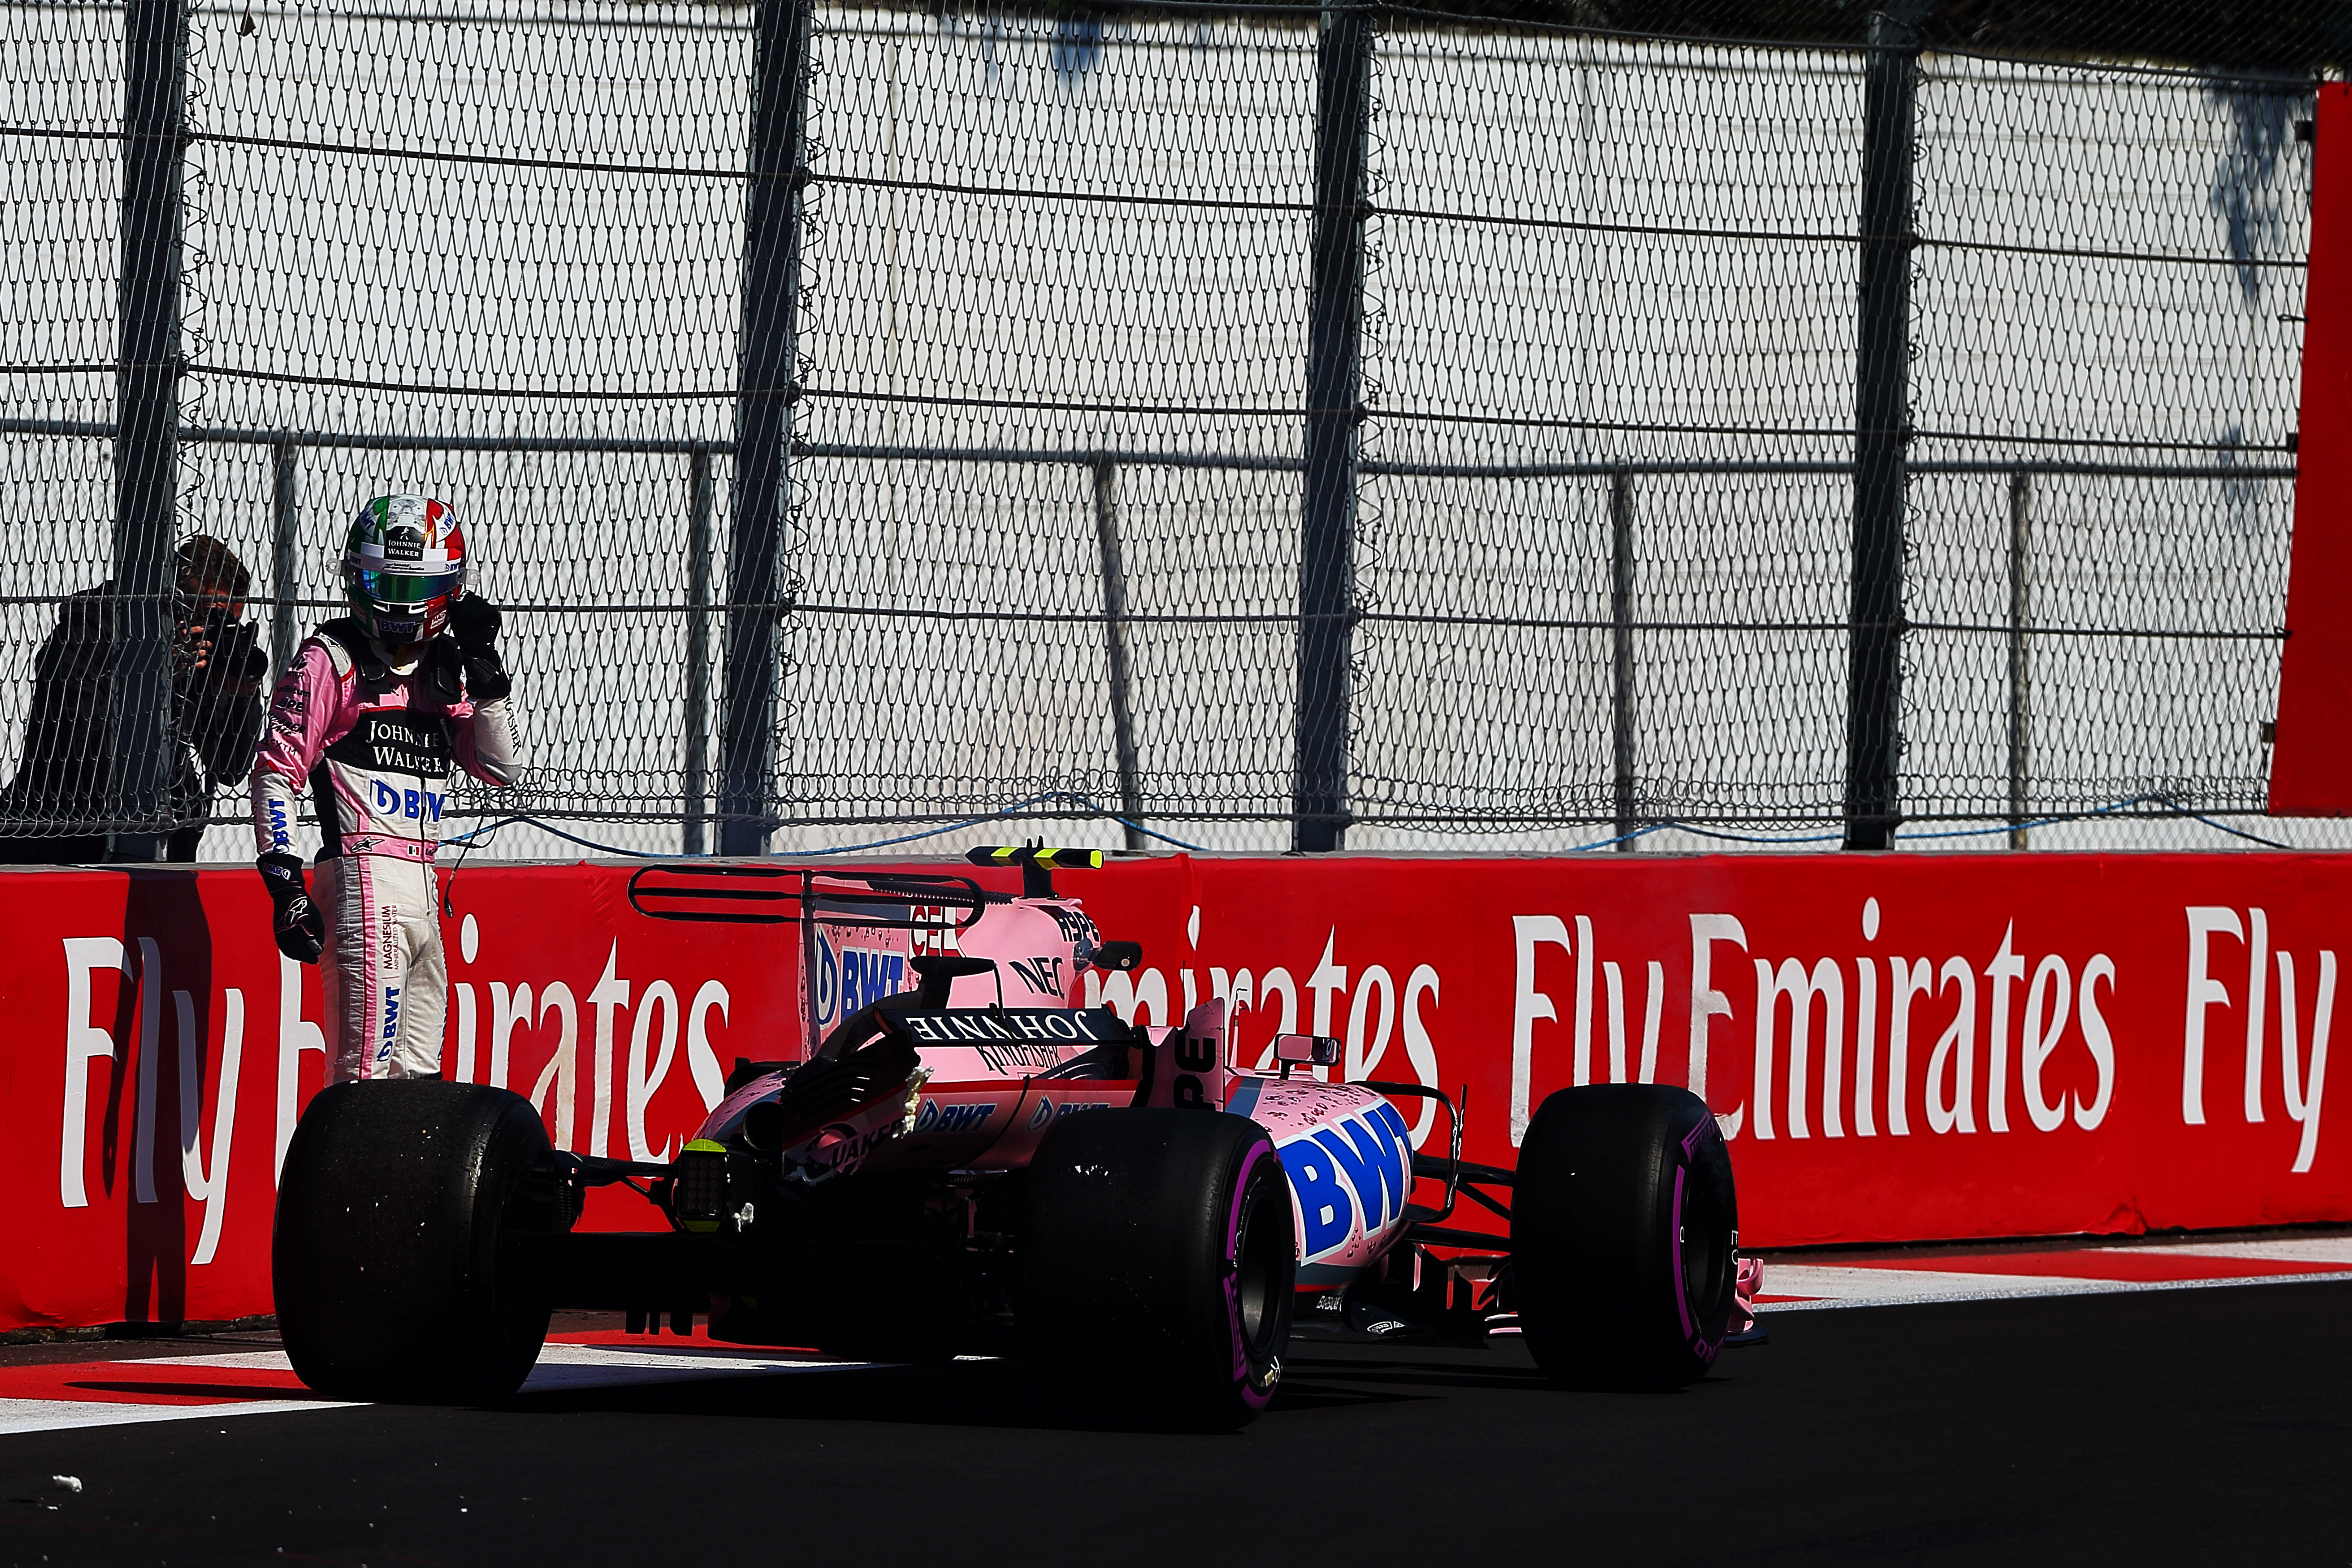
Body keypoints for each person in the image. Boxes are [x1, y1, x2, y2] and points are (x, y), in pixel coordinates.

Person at [250, 495, 518, 1082]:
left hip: (424, 885)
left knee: (420, 1085)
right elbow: (277, 768)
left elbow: (501, 769)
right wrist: (283, 882)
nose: (396, 603)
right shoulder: (331, 658)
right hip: (360, 879)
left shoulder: (446, 668)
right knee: (362, 1078)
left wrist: (485, 666)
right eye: (382, 584)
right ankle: (340, 1174)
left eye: (410, 587)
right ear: (356, 579)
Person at [0, 534, 268, 863]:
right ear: (174, 597)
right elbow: (74, 739)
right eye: (208, 614)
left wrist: (240, 697)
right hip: (60, 829)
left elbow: (230, 768)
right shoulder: (96, 624)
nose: (212, 627)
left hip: (160, 837)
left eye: (228, 620)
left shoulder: (201, 647)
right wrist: (154, 677)